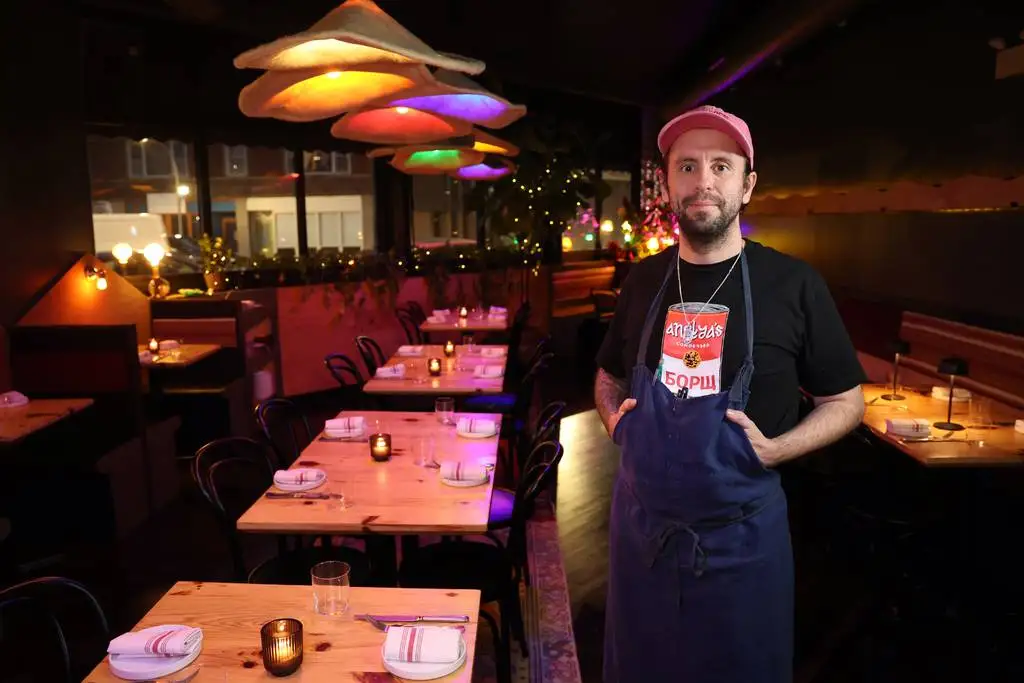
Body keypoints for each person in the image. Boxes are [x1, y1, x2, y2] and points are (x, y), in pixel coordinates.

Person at [596, 105, 867, 683]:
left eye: (721, 166)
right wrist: (614, 423)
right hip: (640, 535)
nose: (703, 181)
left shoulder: (794, 284)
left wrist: (776, 450)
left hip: (743, 541)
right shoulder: (642, 280)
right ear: (668, 184)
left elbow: (846, 402)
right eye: (687, 166)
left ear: (746, 186)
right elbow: (608, 375)